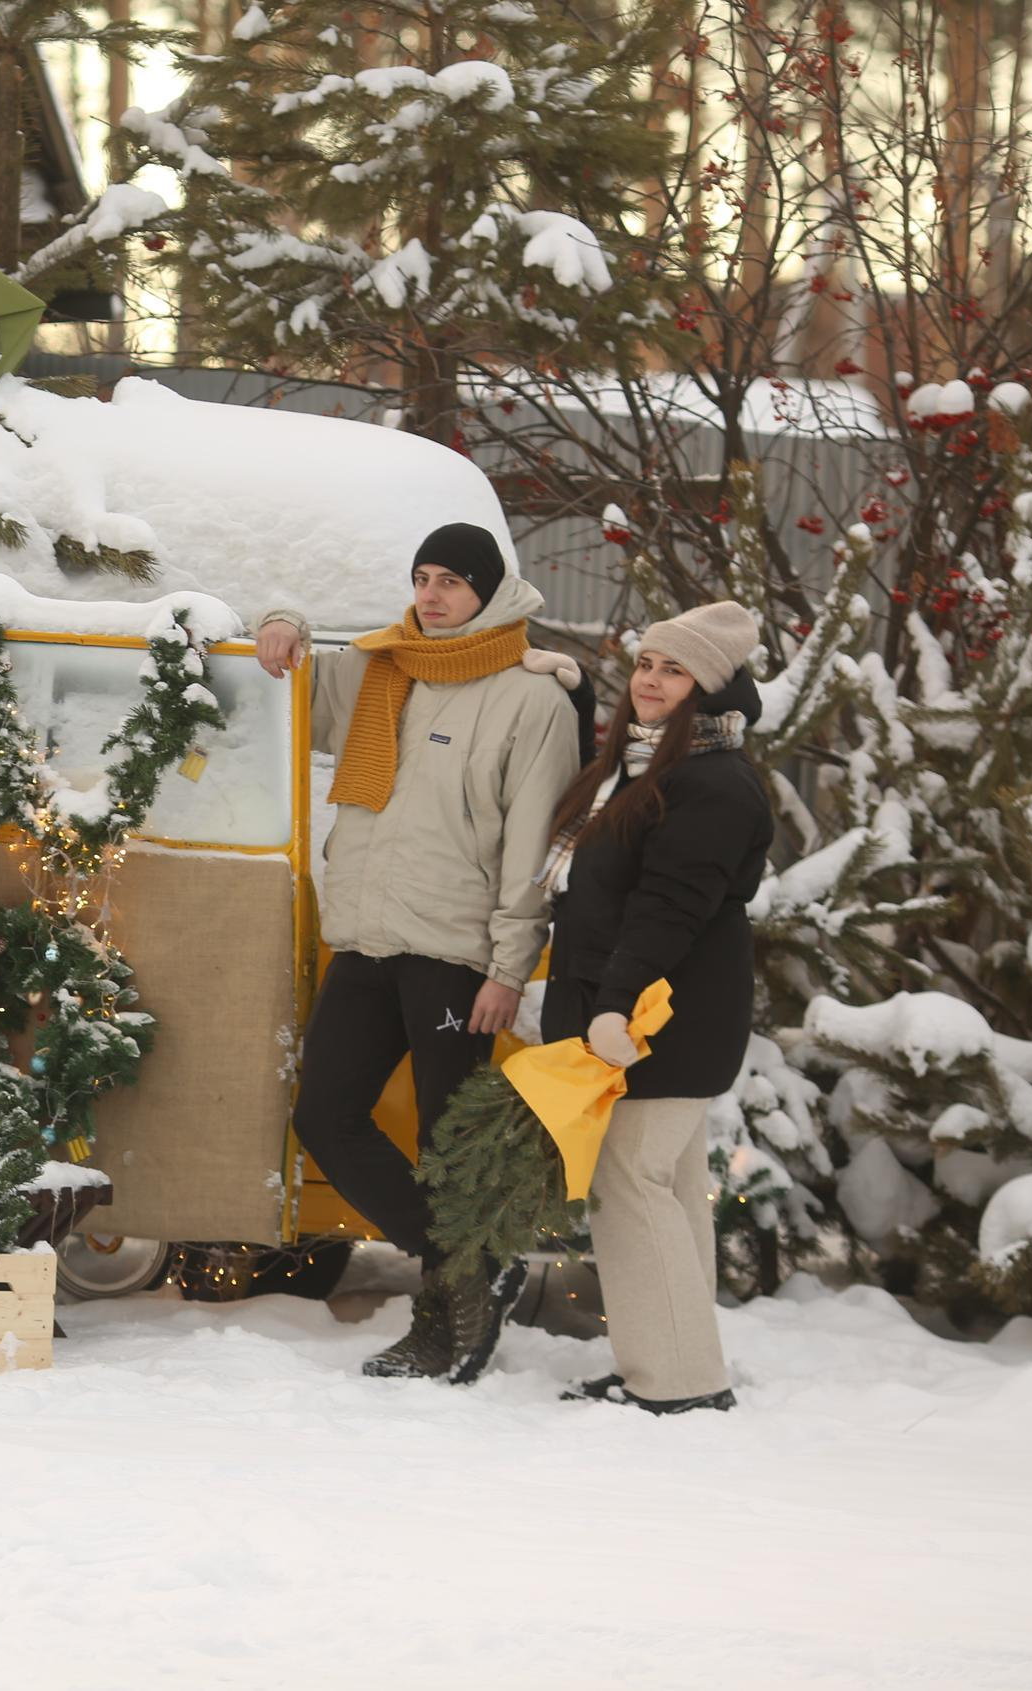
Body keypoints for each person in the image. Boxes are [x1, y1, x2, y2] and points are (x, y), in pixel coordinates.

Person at [255, 523, 581, 1383]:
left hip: (458, 953)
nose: (431, 594)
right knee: (324, 1114)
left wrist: (509, 967)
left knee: (446, 1143)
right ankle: (472, 1262)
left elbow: (532, 847)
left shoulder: (532, 700)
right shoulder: (380, 668)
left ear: (489, 591)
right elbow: (292, 666)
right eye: (422, 577)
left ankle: (445, 1324)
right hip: (366, 937)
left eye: (450, 581)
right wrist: (282, 618)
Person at [540, 602, 771, 1416]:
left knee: (628, 1183)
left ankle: (676, 1379)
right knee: (663, 1187)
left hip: (661, 1017)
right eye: (646, 664)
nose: (651, 680)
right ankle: (676, 1363)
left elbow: (668, 908)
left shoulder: (713, 783)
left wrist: (609, 1006)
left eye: (673, 670)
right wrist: (566, 694)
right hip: (647, 1010)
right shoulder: (647, 766)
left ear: (708, 687)